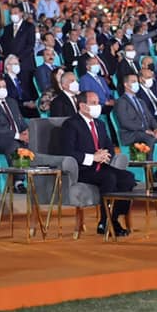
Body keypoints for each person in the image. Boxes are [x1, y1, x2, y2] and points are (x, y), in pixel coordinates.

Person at [60, 91, 136, 236]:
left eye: (98, 102)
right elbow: (67, 152)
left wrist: (105, 155)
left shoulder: (100, 124)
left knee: (128, 178)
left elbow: (109, 147)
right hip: (82, 169)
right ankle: (105, 221)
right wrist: (92, 157)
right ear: (82, 106)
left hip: (101, 166)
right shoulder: (71, 124)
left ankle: (113, 218)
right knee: (109, 178)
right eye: (93, 103)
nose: (98, 106)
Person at [115, 73, 157, 165]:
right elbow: (125, 122)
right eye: (133, 81)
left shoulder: (140, 101)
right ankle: (149, 170)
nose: (136, 84)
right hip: (132, 134)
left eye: (137, 81)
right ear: (126, 84)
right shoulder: (121, 102)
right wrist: (145, 130)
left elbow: (151, 118)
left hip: (147, 132)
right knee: (150, 138)